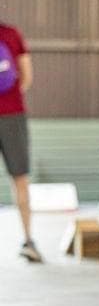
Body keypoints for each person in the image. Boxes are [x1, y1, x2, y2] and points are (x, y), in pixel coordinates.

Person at [0, 21, 42, 263]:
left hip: (12, 113)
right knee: (20, 180)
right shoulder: (12, 34)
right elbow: (26, 77)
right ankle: (28, 241)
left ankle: (28, 240)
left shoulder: (13, 33)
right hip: (13, 113)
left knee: (20, 180)